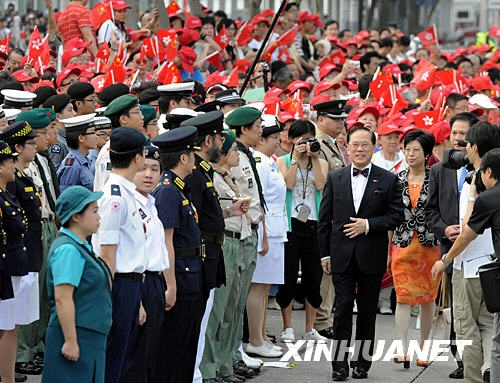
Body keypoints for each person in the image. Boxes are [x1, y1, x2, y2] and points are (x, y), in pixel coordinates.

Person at [318, 126, 404, 381]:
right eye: (354, 144)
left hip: (372, 255)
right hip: (341, 255)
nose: (359, 149)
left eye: (365, 144)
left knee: (367, 311)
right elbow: (325, 220)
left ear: (373, 147)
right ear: (347, 147)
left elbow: (396, 215)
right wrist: (324, 255)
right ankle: (339, 365)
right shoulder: (336, 178)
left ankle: (362, 364)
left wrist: (367, 225)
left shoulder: (388, 179)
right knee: (342, 308)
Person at [179, 111, 250, 383]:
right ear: (208, 140)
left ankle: (204, 371)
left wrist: (229, 211)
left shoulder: (204, 171)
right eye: (220, 137)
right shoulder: (196, 174)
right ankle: (200, 374)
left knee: (216, 314)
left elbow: (205, 213)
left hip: (211, 251)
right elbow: (192, 219)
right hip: (201, 254)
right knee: (204, 320)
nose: (222, 142)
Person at [430, 123, 500, 382]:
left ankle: (476, 377)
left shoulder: (481, 181)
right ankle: (490, 372)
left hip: (470, 266)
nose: (462, 149)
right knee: (487, 327)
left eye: (467, 144)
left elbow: (471, 228)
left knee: (466, 330)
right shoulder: (486, 174)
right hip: (490, 266)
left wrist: (446, 260)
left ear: (476, 148)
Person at [200, 129, 260, 382]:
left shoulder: (228, 176)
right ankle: (210, 368)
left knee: (232, 310)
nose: (237, 153)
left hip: (241, 239)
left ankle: (226, 363)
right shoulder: (213, 177)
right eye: (233, 149)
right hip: (225, 242)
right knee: (219, 312)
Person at [426, 112, 479, 380]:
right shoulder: (438, 169)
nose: (458, 139)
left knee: (477, 309)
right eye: (454, 133)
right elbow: (430, 209)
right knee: (454, 308)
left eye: (464, 134)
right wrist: (443, 228)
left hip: (480, 246)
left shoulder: (485, 169)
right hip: (450, 248)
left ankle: (479, 360)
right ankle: (460, 358)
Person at [92, 126, 147, 383]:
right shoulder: (115, 197)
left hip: (130, 285)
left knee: (122, 358)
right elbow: (106, 253)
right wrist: (108, 300)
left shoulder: (126, 192)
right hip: (119, 285)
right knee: (113, 360)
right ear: (137, 158)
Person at [42, 186, 112, 383]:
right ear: (75, 217)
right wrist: (71, 342)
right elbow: (63, 298)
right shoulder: (68, 250)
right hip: (76, 336)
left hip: (88, 336)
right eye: (94, 211)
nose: (99, 216)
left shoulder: (79, 246)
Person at [152, 126, 205, 382]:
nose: (195, 159)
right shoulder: (167, 191)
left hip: (191, 272)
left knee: (187, 344)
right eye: (192, 154)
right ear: (183, 158)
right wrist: (170, 285)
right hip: (181, 276)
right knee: (173, 347)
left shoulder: (180, 188)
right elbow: (166, 241)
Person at [2, 114, 50, 377]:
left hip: (28, 253)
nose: (35, 146)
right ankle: (13, 363)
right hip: (15, 257)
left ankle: (12, 363)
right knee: (9, 322)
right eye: (30, 143)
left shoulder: (23, 176)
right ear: (17, 148)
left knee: (18, 319)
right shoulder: (12, 183)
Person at [390, 130, 440, 368]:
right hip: (401, 245)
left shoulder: (438, 178)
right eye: (407, 148)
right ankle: (402, 347)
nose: (410, 153)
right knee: (402, 297)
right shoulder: (396, 179)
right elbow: (390, 215)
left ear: (427, 153)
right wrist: (389, 244)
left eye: (416, 149)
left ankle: (424, 347)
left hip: (429, 247)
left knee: (428, 299)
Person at [276, 119, 329, 344]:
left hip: (313, 223)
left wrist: (314, 159)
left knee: (313, 278)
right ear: (292, 141)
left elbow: (320, 185)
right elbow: (287, 185)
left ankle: (310, 328)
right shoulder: (282, 161)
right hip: (290, 224)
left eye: (309, 140)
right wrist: (296, 160)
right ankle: (287, 326)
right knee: (287, 277)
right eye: (301, 140)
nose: (305, 144)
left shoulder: (322, 161)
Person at [225, 106, 267, 379]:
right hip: (238, 232)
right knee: (229, 305)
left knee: (238, 303)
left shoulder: (247, 154)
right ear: (244, 129)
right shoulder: (235, 156)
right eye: (258, 125)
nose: (261, 129)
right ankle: (227, 359)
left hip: (249, 230)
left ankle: (233, 355)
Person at [122, 146, 170, 383]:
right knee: (135, 358)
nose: (149, 174)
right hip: (138, 284)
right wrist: (137, 300)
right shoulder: (126, 204)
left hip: (155, 282)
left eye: (155, 169)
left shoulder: (151, 204)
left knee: (151, 353)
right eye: (143, 169)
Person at [246, 115, 287, 357]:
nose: (276, 141)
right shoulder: (258, 162)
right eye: (272, 137)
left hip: (275, 228)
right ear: (260, 138)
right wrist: (261, 235)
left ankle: (261, 336)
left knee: (266, 284)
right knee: (259, 285)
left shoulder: (268, 161)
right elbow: (256, 202)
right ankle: (255, 338)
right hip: (266, 230)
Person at [311, 99, 347, 339]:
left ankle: (325, 317)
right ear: (321, 119)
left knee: (332, 270)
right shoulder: (318, 143)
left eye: (342, 118)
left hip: (336, 213)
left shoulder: (332, 143)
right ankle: (321, 320)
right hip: (325, 212)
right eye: (336, 118)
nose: (341, 122)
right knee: (325, 269)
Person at [0, 139, 30, 383]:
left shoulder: (6, 194)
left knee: (10, 327)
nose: (13, 165)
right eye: (9, 160)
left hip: (13, 268)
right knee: (5, 328)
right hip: (5, 272)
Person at [95, 94, 144, 192]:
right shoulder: (111, 151)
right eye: (137, 112)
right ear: (123, 119)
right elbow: (105, 190)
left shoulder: (131, 144)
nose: (142, 117)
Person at [57, 114, 97, 192]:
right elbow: (68, 199)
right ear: (81, 138)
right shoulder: (72, 166)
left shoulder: (84, 160)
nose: (96, 136)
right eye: (92, 132)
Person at [44, 94, 76, 170]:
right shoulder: (57, 142)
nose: (75, 114)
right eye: (70, 110)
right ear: (58, 116)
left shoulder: (64, 137)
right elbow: (56, 174)